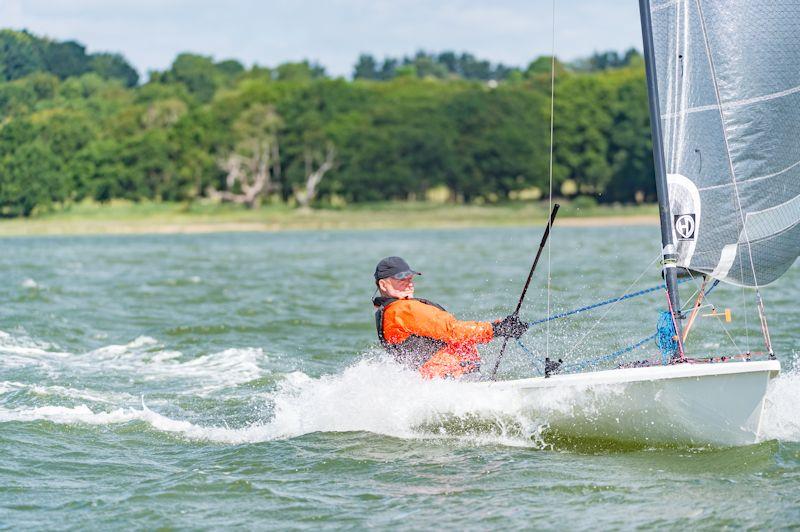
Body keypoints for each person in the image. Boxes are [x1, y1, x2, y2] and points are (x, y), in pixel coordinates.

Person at [372, 256, 528, 379]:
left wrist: (496, 326)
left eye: (410, 279)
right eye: (401, 280)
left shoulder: (388, 311)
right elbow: (453, 330)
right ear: (384, 285)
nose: (410, 284)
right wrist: (496, 329)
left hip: (441, 381)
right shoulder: (403, 309)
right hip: (449, 378)